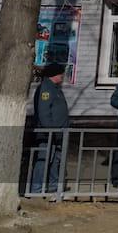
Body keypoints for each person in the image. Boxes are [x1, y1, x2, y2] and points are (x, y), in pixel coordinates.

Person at [31, 63, 70, 194]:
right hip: (48, 133)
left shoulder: (55, 88)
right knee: (44, 159)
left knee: (55, 160)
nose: (63, 76)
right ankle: (36, 188)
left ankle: (53, 186)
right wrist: (50, 129)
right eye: (61, 73)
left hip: (57, 133)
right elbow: (44, 112)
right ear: (55, 74)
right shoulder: (46, 88)